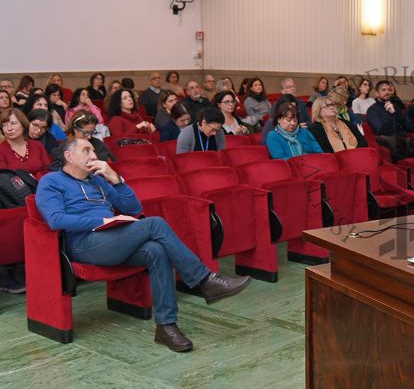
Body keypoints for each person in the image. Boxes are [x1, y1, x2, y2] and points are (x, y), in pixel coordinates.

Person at [35, 137, 252, 351]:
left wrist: (116, 179)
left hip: (113, 239)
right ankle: (204, 280)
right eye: (87, 150)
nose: (94, 155)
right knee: (155, 224)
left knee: (156, 251)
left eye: (94, 151)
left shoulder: (98, 180)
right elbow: (56, 220)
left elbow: (133, 208)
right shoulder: (51, 181)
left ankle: (166, 327)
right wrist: (103, 221)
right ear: (68, 156)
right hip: (84, 244)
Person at [366, 80, 414, 160]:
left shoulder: (394, 107)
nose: (387, 92)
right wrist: (392, 114)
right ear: (377, 93)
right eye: (383, 90)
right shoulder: (372, 110)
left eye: (389, 89)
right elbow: (382, 130)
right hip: (388, 143)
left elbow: (406, 125)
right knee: (408, 145)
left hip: (403, 141)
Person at [50, 112, 116, 169]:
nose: (89, 137)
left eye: (92, 132)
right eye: (86, 133)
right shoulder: (62, 149)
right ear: (75, 129)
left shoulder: (98, 144)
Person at [0, 108, 50, 175]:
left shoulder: (37, 145)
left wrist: (37, 179)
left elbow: (48, 170)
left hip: (41, 184)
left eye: (13, 123)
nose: (9, 128)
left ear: (23, 125)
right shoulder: (1, 150)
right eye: (4, 125)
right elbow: (4, 178)